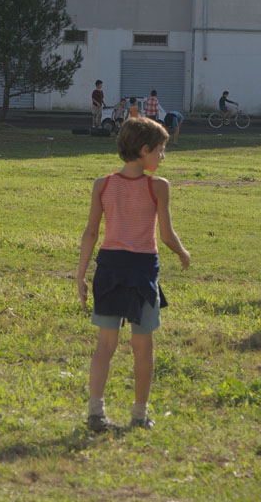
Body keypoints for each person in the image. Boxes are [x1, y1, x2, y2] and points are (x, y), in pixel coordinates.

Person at [75, 117, 191, 432]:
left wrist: (80, 274)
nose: (163, 157)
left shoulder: (103, 184)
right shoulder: (158, 186)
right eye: (161, 150)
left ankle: (95, 414)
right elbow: (166, 235)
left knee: (105, 345)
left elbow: (90, 233)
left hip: (109, 268)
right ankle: (139, 415)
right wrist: (183, 253)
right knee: (143, 346)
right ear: (144, 150)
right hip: (141, 271)